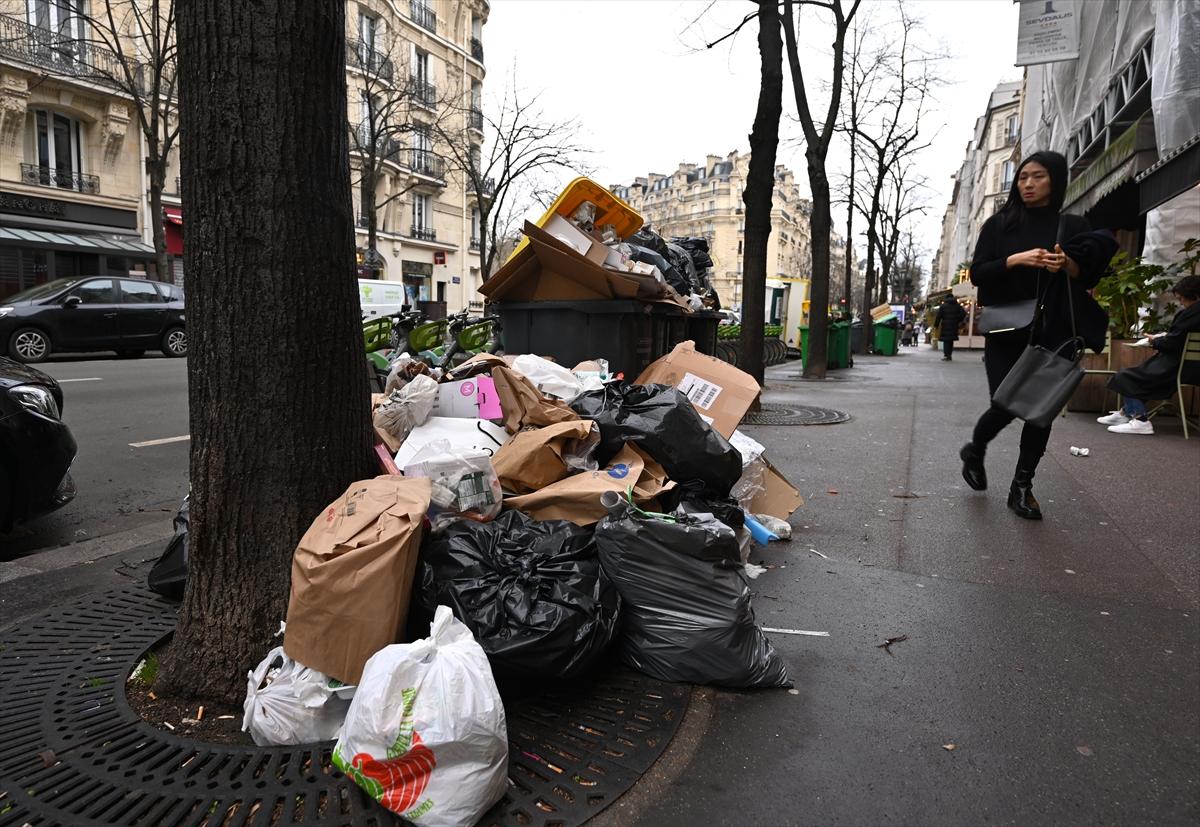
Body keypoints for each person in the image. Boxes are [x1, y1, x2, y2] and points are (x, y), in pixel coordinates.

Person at [958, 150, 1116, 520]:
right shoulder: (999, 225)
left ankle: (1022, 486)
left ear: (1055, 181)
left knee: (1040, 411)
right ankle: (975, 449)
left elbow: (1088, 275)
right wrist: (1017, 259)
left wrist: (1068, 264)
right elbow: (979, 273)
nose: (1027, 183)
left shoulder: (1071, 226)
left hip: (1054, 329)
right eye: (1023, 176)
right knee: (1005, 402)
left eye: (1038, 176)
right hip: (1008, 329)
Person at [1098, 275, 1200, 435]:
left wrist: (1154, 341)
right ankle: (1126, 412)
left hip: (1176, 366)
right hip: (1193, 367)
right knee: (1139, 376)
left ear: (1194, 295)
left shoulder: (1190, 315)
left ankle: (1140, 419)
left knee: (1126, 376)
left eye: (1181, 299)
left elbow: (1172, 343)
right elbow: (1183, 340)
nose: (1180, 303)